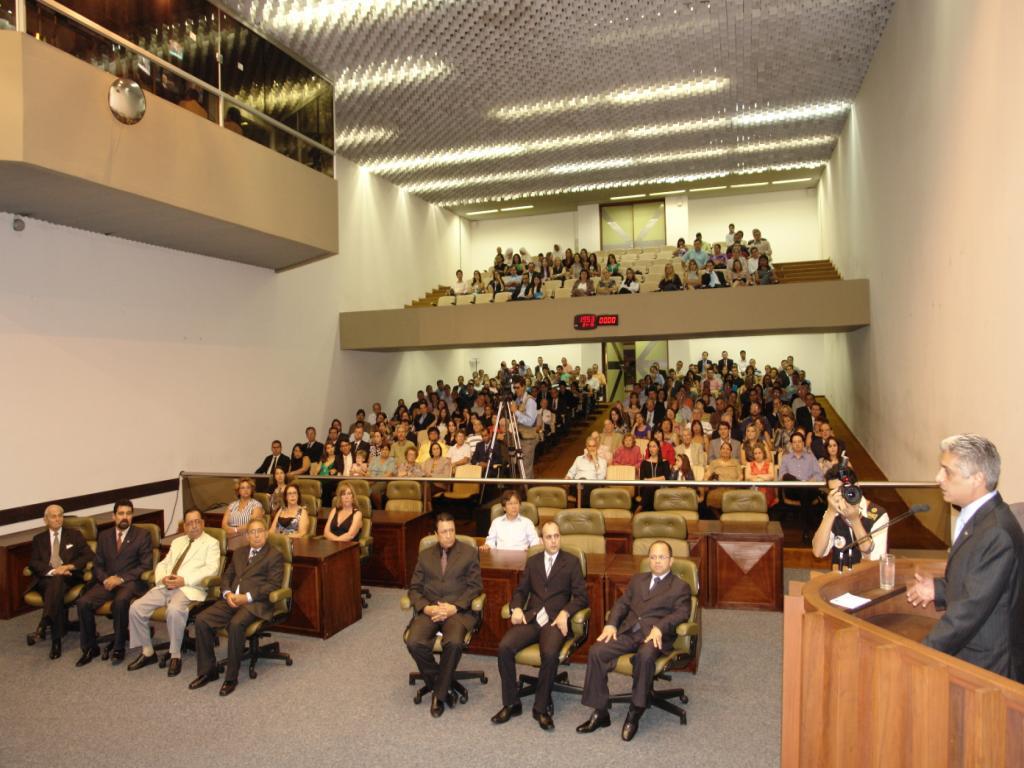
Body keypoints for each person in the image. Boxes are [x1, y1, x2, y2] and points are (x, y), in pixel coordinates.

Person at [906, 434, 1024, 681]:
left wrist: (920, 652)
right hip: (974, 656)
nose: (939, 478)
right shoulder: (979, 518)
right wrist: (937, 589)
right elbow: (978, 581)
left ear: (977, 479)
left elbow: (971, 609)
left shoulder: (996, 532)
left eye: (947, 472)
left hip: (988, 667)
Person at [577, 541, 691, 741]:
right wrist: (612, 624)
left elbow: (682, 613)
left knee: (645, 656)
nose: (656, 561)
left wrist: (660, 627)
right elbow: (622, 604)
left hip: (655, 635)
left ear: (671, 560)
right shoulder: (638, 579)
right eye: (653, 557)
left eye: (662, 557)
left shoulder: (680, 586)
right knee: (597, 651)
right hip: (629, 631)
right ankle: (600, 711)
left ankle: (634, 711)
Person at [492, 521, 588, 730]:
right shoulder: (533, 561)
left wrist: (565, 613)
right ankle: (511, 703)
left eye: (556, 536)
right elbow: (521, 591)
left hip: (555, 621)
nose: (553, 541)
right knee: (504, 647)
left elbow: (582, 597)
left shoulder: (571, 562)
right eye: (548, 537)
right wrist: (516, 607)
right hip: (532, 618)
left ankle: (540, 708)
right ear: (541, 539)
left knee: (550, 653)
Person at [190, 518, 284, 696]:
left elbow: (273, 585)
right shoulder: (239, 552)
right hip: (231, 600)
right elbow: (227, 576)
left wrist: (246, 597)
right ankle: (207, 671)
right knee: (202, 620)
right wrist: (227, 594)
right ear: (247, 535)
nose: (256, 535)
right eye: (252, 532)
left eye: (259, 531)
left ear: (266, 533)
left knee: (235, 624)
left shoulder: (274, 555)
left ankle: (231, 677)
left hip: (255, 603)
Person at [405, 513, 483, 718]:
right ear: (436, 534)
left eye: (452, 530)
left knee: (454, 643)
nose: (449, 535)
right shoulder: (425, 555)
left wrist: (454, 607)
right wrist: (426, 608)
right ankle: (444, 685)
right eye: (444, 532)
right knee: (414, 642)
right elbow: (414, 588)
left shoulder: (468, 552)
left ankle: (438, 695)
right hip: (430, 609)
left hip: (456, 611)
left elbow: (476, 587)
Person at [126, 509, 220, 677]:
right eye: (190, 523)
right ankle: (147, 651)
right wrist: (163, 578)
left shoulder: (211, 543)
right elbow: (164, 563)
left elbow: (211, 569)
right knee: (136, 607)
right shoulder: (178, 542)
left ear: (203, 523)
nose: (194, 526)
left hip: (189, 587)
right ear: (185, 526)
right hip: (166, 585)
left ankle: (175, 655)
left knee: (175, 610)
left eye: (197, 522)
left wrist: (184, 580)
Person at [76, 499, 153, 666]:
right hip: (107, 582)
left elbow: (146, 565)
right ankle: (90, 647)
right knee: (83, 602)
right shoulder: (104, 536)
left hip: (130, 582)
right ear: (114, 516)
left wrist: (121, 578)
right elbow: (97, 564)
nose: (125, 517)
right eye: (121, 513)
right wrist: (105, 579)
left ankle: (119, 647)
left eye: (128, 513)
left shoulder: (142, 535)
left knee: (120, 602)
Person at [25, 504, 93, 659]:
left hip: (69, 577)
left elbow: (88, 555)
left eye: (60, 515)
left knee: (57, 582)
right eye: (53, 516)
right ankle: (52, 629)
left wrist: (68, 566)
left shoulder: (74, 535)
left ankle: (50, 628)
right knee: (55, 582)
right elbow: (34, 563)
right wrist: (54, 571)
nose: (58, 519)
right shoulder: (38, 539)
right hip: (46, 579)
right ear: (45, 520)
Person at [811, 466, 888, 568]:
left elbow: (875, 560)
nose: (839, 495)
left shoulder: (878, 515)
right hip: (840, 576)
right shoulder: (833, 511)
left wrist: (855, 520)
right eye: (833, 491)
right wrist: (830, 512)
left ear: (856, 487)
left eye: (842, 490)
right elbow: (818, 552)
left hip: (868, 578)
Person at [778, 432, 826, 542]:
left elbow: (820, 476)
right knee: (788, 477)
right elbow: (782, 476)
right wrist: (801, 482)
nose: (797, 444)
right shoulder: (786, 458)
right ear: (791, 444)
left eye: (799, 441)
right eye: (794, 442)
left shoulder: (810, 457)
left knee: (805, 490)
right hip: (793, 490)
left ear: (803, 443)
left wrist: (809, 482)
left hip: (809, 489)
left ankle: (807, 529)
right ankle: (810, 527)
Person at [565, 436, 607, 506]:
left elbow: (601, 478)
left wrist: (595, 460)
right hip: (577, 485)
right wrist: (567, 479)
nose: (592, 449)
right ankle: (586, 513)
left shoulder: (602, 461)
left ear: (597, 447)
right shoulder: (579, 458)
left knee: (584, 488)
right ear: (586, 447)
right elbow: (571, 473)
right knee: (581, 483)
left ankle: (579, 512)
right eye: (589, 446)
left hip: (592, 486)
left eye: (594, 446)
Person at [511, 375, 539, 478]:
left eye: (517, 387)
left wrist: (516, 412)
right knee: (522, 467)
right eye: (514, 388)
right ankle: (527, 490)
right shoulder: (518, 400)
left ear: (523, 387)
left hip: (528, 439)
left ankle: (528, 491)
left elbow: (530, 421)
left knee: (526, 468)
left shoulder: (530, 401)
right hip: (520, 437)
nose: (516, 390)